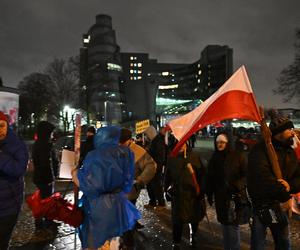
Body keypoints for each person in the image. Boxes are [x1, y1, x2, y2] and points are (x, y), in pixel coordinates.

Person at [71, 126, 140, 249]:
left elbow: (89, 185)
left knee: (99, 242)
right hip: (119, 204)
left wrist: (75, 174)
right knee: (115, 240)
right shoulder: (126, 153)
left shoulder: (94, 156)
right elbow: (128, 181)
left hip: (99, 207)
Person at [247, 114, 300, 250]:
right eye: (290, 130)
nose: (293, 132)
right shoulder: (259, 151)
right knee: (258, 244)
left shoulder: (290, 152)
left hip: (281, 206)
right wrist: (284, 195)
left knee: (283, 242)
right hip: (262, 206)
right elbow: (264, 179)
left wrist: (290, 186)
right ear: (279, 133)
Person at [206, 132, 250, 250]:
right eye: (218, 142)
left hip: (234, 197)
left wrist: (236, 185)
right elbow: (210, 177)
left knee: (232, 225)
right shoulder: (215, 157)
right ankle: (227, 247)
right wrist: (209, 193)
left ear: (228, 143)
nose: (219, 144)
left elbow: (247, 175)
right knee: (225, 224)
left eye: (222, 142)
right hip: (220, 196)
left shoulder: (238, 156)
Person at [119, 128, 157, 249]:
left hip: (130, 192)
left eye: (122, 142)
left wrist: (139, 180)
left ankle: (128, 243)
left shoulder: (138, 152)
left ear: (129, 140)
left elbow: (151, 166)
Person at [164, 142, 206, 249]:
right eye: (179, 144)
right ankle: (176, 242)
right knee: (177, 221)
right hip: (178, 195)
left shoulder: (195, 157)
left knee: (194, 218)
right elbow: (167, 177)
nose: (181, 146)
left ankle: (194, 236)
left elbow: (202, 175)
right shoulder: (172, 159)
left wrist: (201, 191)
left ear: (186, 145)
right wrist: (166, 190)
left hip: (192, 195)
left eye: (183, 144)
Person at [0, 111, 29, 249]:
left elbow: (18, 169)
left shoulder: (17, 145)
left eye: (1, 126)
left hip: (8, 206)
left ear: (7, 125)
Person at [32, 121, 59, 230]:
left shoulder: (37, 144)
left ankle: (40, 222)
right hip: (45, 178)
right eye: (51, 133)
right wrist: (52, 177)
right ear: (47, 133)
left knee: (41, 201)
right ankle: (48, 222)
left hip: (39, 177)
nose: (52, 135)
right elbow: (47, 164)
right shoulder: (46, 146)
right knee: (47, 202)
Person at [144, 125, 167, 208]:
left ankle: (161, 203)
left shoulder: (158, 142)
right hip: (151, 167)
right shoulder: (153, 141)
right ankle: (152, 201)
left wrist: (156, 165)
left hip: (156, 167)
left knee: (156, 186)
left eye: (147, 134)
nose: (146, 136)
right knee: (150, 185)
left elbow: (160, 156)